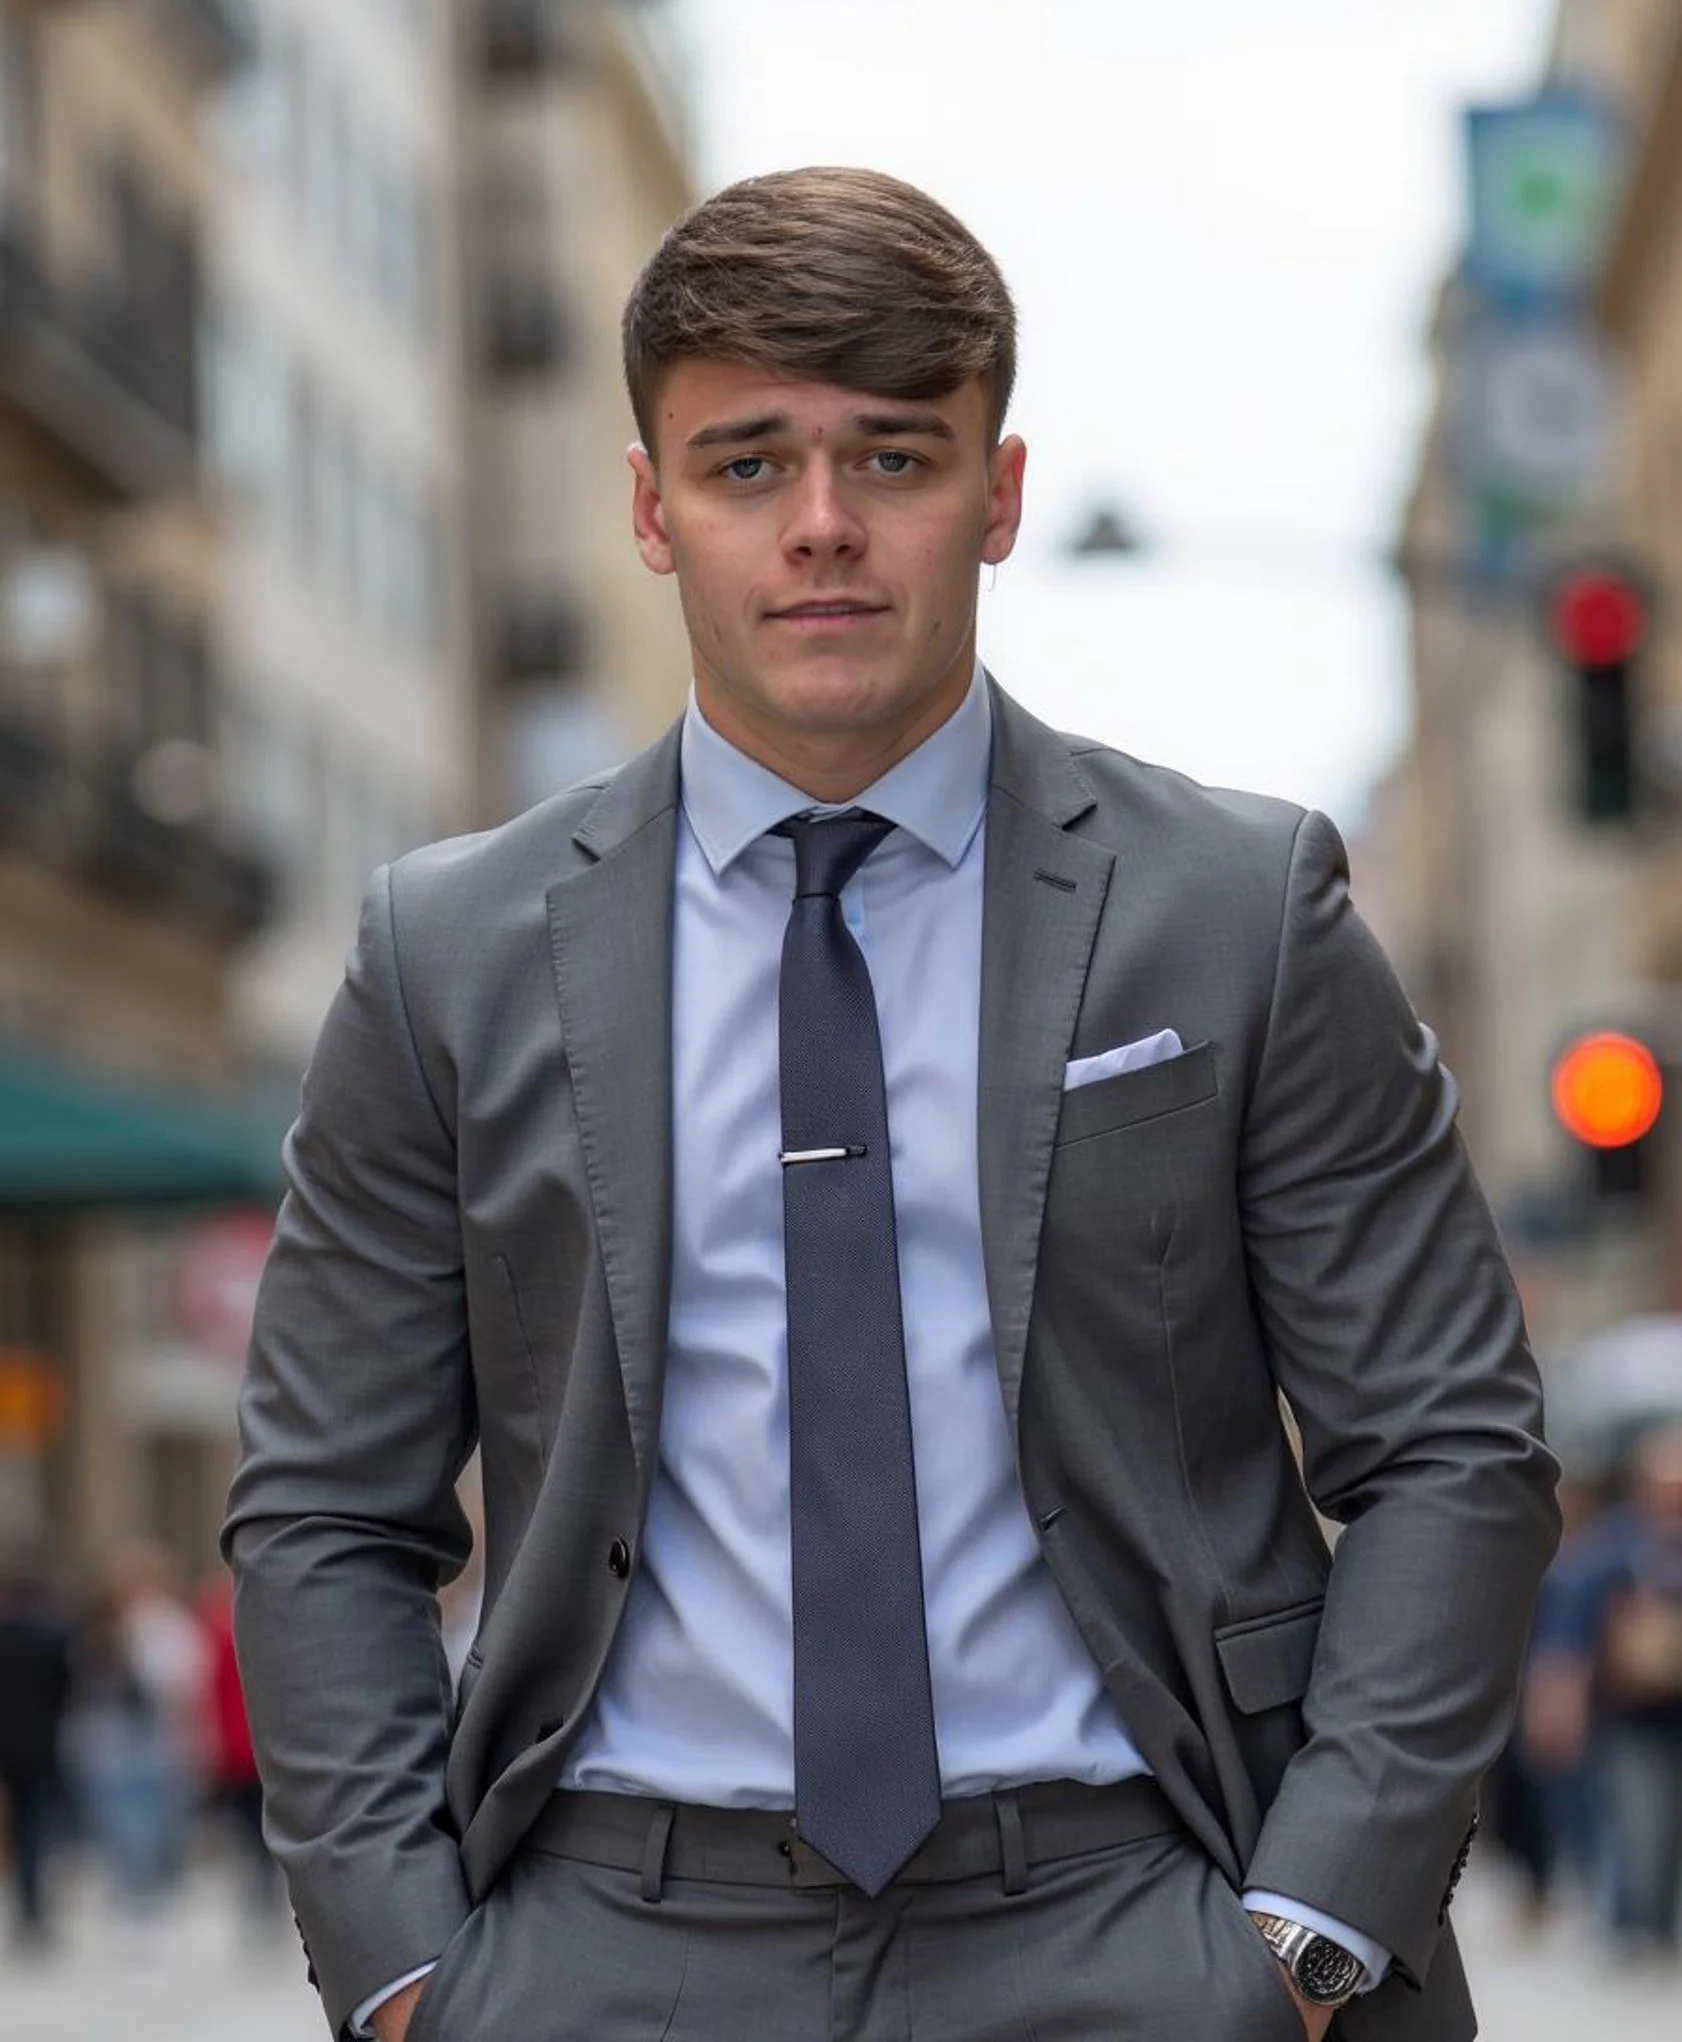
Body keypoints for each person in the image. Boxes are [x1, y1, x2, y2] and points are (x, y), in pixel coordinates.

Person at [225, 167, 1560, 2042]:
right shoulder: (448, 950)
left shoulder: (1237, 910)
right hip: (609, 1941)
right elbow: (323, 1506)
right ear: (649, 511)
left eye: (896, 459)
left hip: (1136, 1917)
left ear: (997, 496)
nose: (825, 530)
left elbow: (1447, 1442)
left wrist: (1309, 1927)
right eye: (749, 465)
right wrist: (407, 1973)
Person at [1535, 1422, 1682, 1954]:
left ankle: (1657, 1924)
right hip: (1630, 1718)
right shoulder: (1611, 1548)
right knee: (1639, 1821)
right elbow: (1567, 1641)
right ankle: (1633, 1927)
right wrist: (1557, 1707)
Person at [0, 1542, 74, 1948]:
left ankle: (27, 1902)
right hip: (43, 1743)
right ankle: (34, 1902)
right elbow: (66, 1688)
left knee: (18, 1822)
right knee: (37, 1824)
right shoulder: (52, 1635)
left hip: (8, 1745)